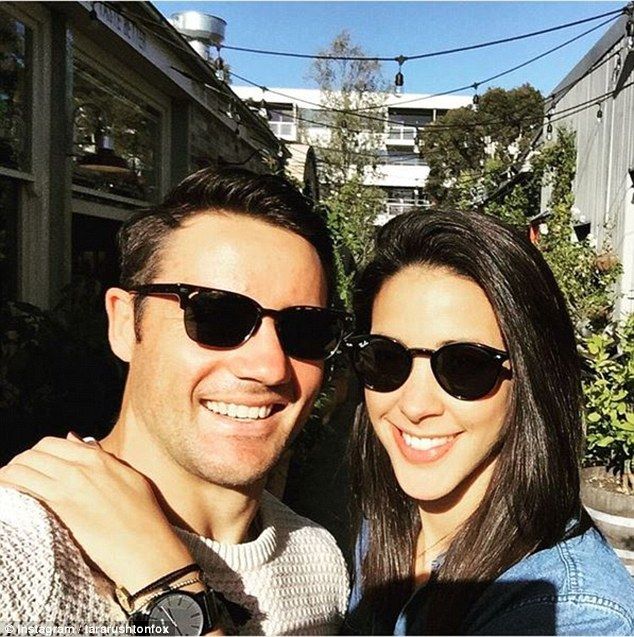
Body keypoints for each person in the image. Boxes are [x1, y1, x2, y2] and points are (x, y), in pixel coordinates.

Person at [0, 168, 350, 635]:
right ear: (125, 324)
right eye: (217, 315)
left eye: (305, 329)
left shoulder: (318, 562)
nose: (269, 367)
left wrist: (165, 581)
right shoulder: (22, 556)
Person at [343, 209, 634, 635]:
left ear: (531, 380)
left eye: (464, 366)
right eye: (386, 358)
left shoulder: (570, 614)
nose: (415, 405)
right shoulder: (389, 520)